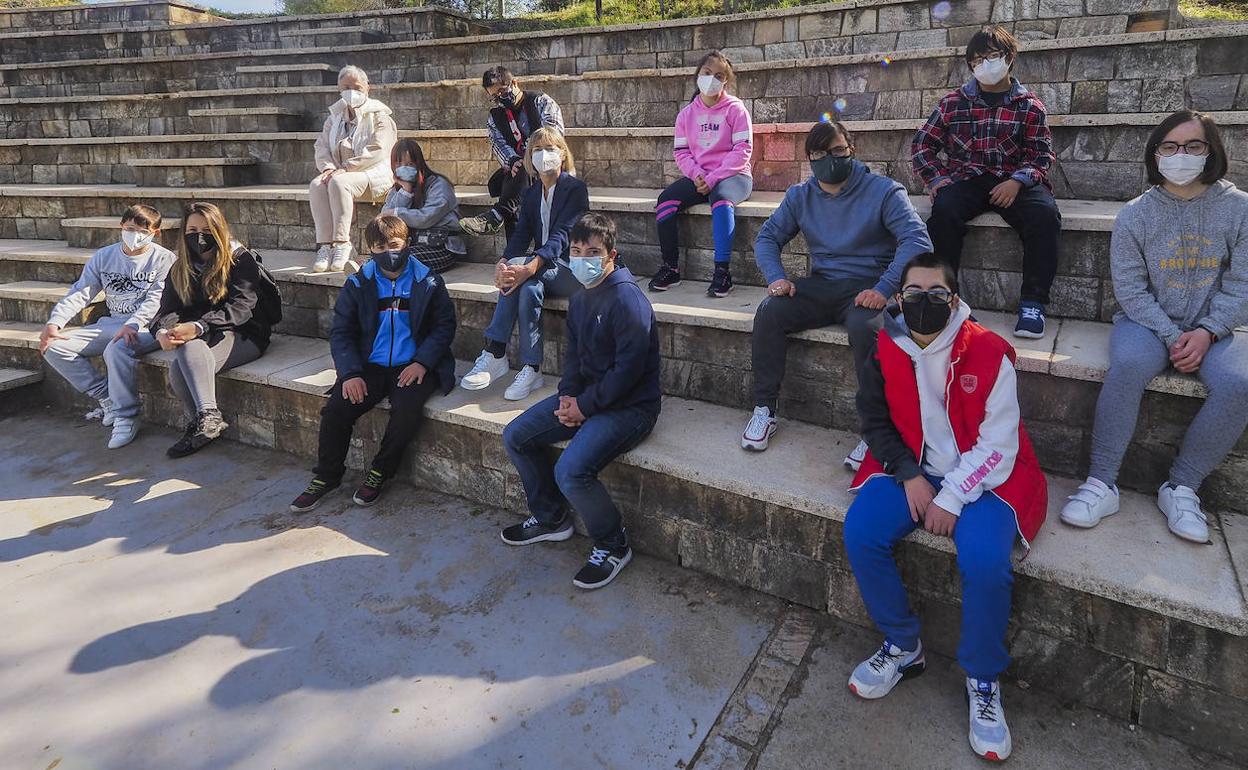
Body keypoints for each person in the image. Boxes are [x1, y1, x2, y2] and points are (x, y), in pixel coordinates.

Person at [843, 252, 1047, 763]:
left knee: (983, 561)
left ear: (953, 300)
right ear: (898, 298)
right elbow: (874, 420)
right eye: (914, 294)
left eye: (937, 294)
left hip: (988, 475)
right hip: (916, 465)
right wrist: (910, 476)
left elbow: (999, 445)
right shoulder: (881, 342)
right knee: (862, 531)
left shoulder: (988, 350)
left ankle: (982, 677)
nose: (925, 303)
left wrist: (953, 494)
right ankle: (902, 645)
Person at [1059, 110, 1248, 544]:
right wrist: (1169, 334)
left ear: (1211, 150)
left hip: (1215, 328)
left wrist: (1207, 331)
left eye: (1192, 146)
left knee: (1239, 383)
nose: (1180, 155)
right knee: (1127, 365)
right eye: (1170, 146)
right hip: (1146, 323)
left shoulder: (1238, 209)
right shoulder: (1135, 214)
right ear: (1155, 153)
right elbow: (1131, 288)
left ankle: (1182, 487)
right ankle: (1102, 483)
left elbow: (1242, 283)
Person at [742, 120, 931, 465]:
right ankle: (764, 409)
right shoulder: (801, 195)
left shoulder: (884, 191)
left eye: (837, 151)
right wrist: (776, 277)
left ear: (851, 150)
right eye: (819, 153)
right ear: (810, 158)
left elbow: (917, 240)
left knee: (867, 329)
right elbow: (768, 237)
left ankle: (875, 431)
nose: (829, 159)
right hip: (822, 284)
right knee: (771, 310)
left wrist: (884, 287)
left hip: (868, 287)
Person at [499, 213, 661, 590]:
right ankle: (551, 517)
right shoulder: (582, 296)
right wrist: (569, 397)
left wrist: (585, 407)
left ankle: (613, 542)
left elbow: (629, 372)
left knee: (571, 470)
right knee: (516, 435)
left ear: (611, 255)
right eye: (576, 250)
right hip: (586, 398)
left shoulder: (628, 300)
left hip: (631, 408)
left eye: (593, 252)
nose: (583, 258)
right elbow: (573, 355)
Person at [290, 215, 457, 512]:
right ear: (370, 250)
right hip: (371, 365)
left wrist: (422, 362)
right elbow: (342, 332)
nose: (388, 252)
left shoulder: (428, 281)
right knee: (336, 410)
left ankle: (381, 470)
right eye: (380, 247)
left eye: (394, 244)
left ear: (406, 244)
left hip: (413, 364)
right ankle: (327, 476)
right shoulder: (359, 283)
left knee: (407, 410)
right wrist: (350, 373)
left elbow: (444, 327)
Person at [911, 25, 1061, 339]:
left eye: (992, 56)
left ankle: (1033, 302)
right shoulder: (953, 103)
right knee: (944, 213)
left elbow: (1042, 155)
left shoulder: (1029, 107)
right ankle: (948, 299)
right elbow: (923, 145)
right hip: (965, 179)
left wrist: (1018, 182)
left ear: (1009, 57)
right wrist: (937, 180)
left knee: (1044, 216)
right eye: (977, 60)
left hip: (1013, 180)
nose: (985, 65)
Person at [459, 128, 590, 401]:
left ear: (563, 153)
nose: (544, 155)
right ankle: (532, 368)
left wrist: (528, 266)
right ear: (530, 156)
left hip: (571, 270)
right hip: (544, 270)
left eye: (550, 148)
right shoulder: (531, 194)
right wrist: (504, 262)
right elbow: (521, 235)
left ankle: (495, 351)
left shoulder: (575, 189)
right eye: (537, 150)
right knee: (528, 288)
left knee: (525, 274)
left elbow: (562, 236)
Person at [39, 204, 175, 449]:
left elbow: (158, 298)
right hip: (112, 324)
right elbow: (81, 292)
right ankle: (107, 397)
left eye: (143, 231)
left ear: (155, 232)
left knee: (116, 349)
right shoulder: (104, 256)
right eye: (131, 228)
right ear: (121, 226)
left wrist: (134, 323)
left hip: (149, 328)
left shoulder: (164, 258)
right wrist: (55, 322)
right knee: (54, 347)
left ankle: (127, 415)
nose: (135, 235)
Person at [152, 202, 279, 459]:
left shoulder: (240, 259)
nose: (200, 236)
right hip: (204, 336)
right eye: (192, 229)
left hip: (245, 333)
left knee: (189, 347)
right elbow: (166, 309)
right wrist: (163, 332)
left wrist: (198, 326)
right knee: (179, 364)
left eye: (207, 229)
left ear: (219, 229)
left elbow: (242, 307)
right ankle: (202, 424)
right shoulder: (181, 267)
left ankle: (208, 415)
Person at [648, 50, 753, 298]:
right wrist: (696, 175)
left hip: (734, 176)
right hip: (700, 176)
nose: (712, 79)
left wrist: (713, 177)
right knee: (666, 202)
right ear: (698, 75)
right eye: (707, 73)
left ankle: (722, 272)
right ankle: (671, 267)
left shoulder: (736, 110)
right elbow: (682, 153)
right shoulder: (686, 115)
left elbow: (743, 150)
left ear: (726, 80)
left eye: (719, 75)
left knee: (721, 199)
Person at [309, 65, 397, 273]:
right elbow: (321, 146)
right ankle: (325, 246)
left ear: (368, 88)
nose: (352, 91)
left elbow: (378, 149)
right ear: (339, 88)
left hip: (374, 173)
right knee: (317, 184)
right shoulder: (335, 118)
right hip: (341, 174)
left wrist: (347, 168)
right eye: (346, 86)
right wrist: (328, 168)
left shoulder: (380, 116)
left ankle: (342, 243)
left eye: (357, 87)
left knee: (339, 182)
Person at [459, 66, 565, 239]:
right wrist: (512, 160)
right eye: (494, 96)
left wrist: (528, 158)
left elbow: (553, 138)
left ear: (514, 83)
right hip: (521, 173)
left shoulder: (542, 102)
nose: (500, 98)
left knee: (520, 172)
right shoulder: (495, 116)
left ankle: (498, 216)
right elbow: (498, 144)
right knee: (510, 176)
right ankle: (513, 255)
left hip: (548, 163)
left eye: (502, 91)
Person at [380, 137, 464, 274]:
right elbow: (386, 218)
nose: (404, 168)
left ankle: (366, 272)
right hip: (412, 244)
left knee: (403, 260)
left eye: (410, 163)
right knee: (382, 256)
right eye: (399, 163)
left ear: (419, 163)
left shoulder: (438, 185)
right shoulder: (397, 189)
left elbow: (426, 218)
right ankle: (365, 273)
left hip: (441, 246)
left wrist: (397, 213)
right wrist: (406, 191)